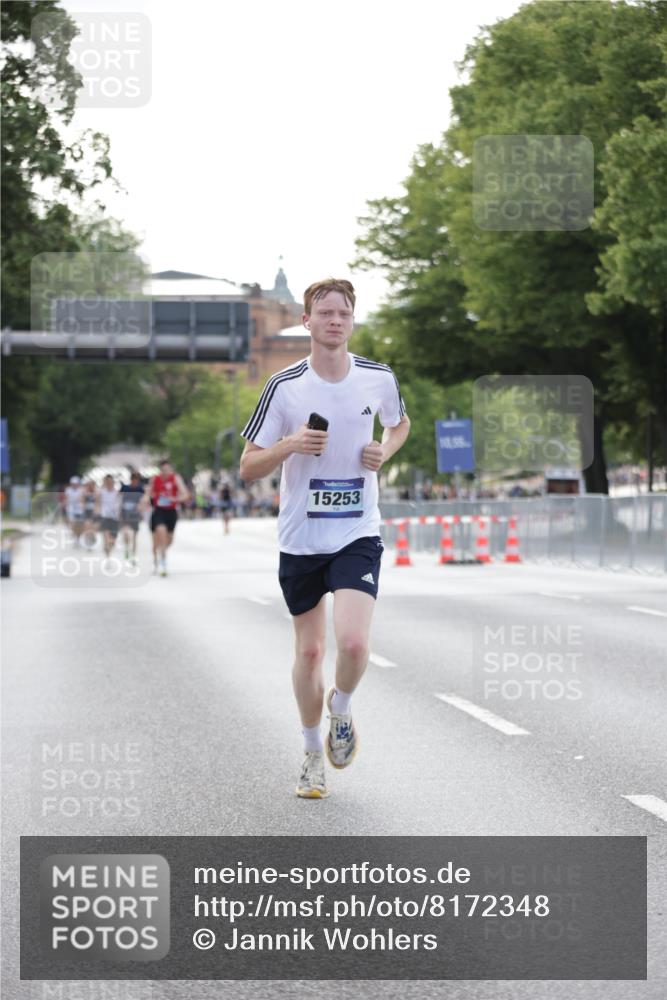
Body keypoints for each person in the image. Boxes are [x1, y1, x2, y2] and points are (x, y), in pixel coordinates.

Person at [240, 278, 410, 799]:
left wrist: (386, 449)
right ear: (306, 322)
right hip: (301, 536)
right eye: (325, 313)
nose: (335, 321)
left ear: (352, 321)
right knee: (311, 653)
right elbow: (248, 466)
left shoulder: (378, 377)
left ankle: (342, 707)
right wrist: (290, 444)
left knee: (354, 642)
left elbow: (399, 424)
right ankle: (313, 752)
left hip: (357, 529)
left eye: (344, 313)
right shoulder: (284, 385)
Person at [145, 458, 189, 576]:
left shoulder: (175, 478)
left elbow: (185, 494)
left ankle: (161, 553)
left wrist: (175, 499)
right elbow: (148, 494)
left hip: (171, 512)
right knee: (160, 535)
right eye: (163, 470)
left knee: (169, 540)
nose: (166, 472)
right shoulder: (155, 479)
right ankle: (162, 563)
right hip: (158, 511)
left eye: (167, 469)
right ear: (160, 470)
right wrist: (147, 499)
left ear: (170, 469)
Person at [119, 470, 144, 564]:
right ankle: (126, 547)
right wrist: (119, 511)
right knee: (126, 533)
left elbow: (143, 501)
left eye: (137, 479)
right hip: (125, 513)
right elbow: (119, 499)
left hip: (135, 515)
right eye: (134, 479)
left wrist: (141, 510)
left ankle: (133, 556)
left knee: (134, 536)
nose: (135, 481)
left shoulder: (141, 489)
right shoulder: (125, 488)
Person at [98, 474, 121, 558]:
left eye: (111, 481)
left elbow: (120, 505)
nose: (109, 483)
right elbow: (98, 503)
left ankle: (108, 549)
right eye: (107, 481)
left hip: (115, 518)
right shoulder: (101, 492)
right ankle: (107, 552)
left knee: (113, 540)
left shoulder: (117, 493)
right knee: (106, 536)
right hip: (105, 517)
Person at [64, 476, 86, 547]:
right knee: (72, 523)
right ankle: (75, 537)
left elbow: (83, 500)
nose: (74, 485)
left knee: (79, 525)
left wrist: (83, 507)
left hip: (79, 509)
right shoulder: (68, 490)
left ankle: (78, 538)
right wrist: (66, 507)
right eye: (73, 483)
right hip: (71, 509)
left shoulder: (81, 490)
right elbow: (66, 499)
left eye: (76, 483)